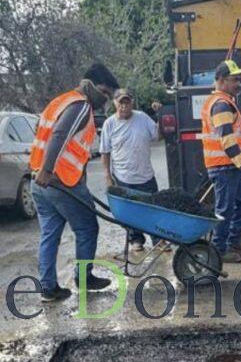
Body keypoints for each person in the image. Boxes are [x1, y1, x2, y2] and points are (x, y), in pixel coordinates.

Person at [30, 63, 119, 302]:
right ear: (91, 85)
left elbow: (40, 130)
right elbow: (59, 134)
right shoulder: (80, 105)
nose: (106, 100)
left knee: (50, 234)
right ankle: (84, 278)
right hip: (60, 182)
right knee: (87, 227)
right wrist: (49, 170)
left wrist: (42, 171)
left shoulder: (60, 101)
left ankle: (48, 288)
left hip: (39, 183)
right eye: (105, 94)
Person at [201, 60, 241, 263]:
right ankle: (219, 249)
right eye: (235, 80)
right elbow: (227, 140)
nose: (238, 83)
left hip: (228, 166)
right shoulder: (221, 104)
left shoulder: (224, 101)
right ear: (222, 81)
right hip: (224, 167)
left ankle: (231, 242)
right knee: (224, 209)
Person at [100, 88, 162, 252]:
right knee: (130, 212)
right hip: (123, 177)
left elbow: (157, 136)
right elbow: (105, 152)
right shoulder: (109, 124)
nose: (124, 107)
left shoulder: (142, 117)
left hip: (146, 175)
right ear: (115, 103)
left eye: (127, 102)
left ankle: (158, 240)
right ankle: (136, 239)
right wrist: (107, 176)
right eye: (120, 103)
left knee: (153, 209)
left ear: (132, 103)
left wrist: (160, 116)